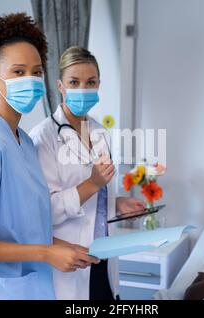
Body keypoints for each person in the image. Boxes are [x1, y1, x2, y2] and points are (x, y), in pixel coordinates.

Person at [0, 13, 98, 300]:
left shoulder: (24, 142)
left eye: (36, 72)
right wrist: (46, 252)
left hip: (31, 288)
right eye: (18, 72)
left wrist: (60, 246)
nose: (30, 80)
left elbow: (20, 230)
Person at [29, 46, 145, 300]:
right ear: (60, 85)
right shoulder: (43, 137)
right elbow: (43, 211)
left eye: (90, 82)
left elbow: (98, 199)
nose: (83, 89)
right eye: (74, 82)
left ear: (99, 85)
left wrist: (118, 203)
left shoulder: (99, 131)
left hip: (102, 257)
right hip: (70, 263)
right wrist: (92, 183)